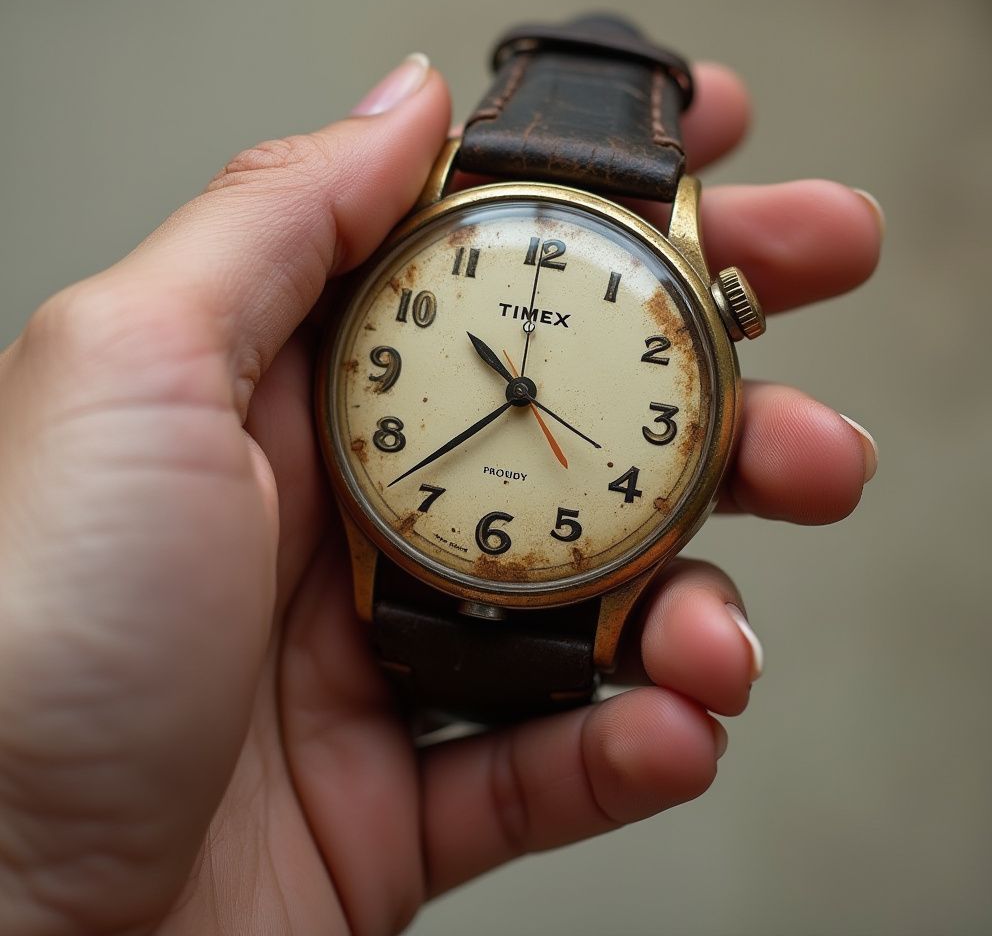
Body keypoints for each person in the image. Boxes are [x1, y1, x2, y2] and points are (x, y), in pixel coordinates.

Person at [0, 53, 881, 935]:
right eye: (510, 386)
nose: (520, 393)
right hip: (380, 574)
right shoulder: (448, 206)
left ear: (725, 309)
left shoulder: (615, 237)